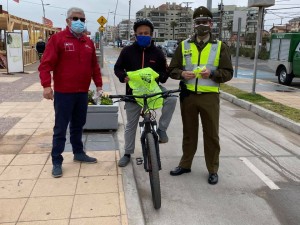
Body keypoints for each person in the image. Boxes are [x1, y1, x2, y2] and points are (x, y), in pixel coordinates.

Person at [168, 6, 233, 185]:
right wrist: (182, 74)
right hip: (188, 96)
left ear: (211, 24)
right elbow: (172, 69)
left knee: (211, 134)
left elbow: (228, 73)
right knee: (189, 133)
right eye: (198, 22)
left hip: (209, 97)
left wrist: (212, 74)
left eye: (204, 22)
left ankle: (212, 169)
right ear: (193, 24)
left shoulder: (219, 46)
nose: (201, 25)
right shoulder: (184, 45)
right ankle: (185, 164)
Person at [38, 7, 103, 178]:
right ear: (67, 21)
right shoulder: (58, 39)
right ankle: (56, 160)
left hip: (82, 93)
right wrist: (46, 86)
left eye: (82, 19)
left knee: (78, 125)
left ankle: (78, 153)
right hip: (63, 93)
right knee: (61, 128)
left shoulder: (88, 42)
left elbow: (94, 67)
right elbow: (45, 65)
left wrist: (99, 86)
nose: (79, 22)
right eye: (75, 18)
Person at [114, 18, 177, 167]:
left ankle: (161, 130)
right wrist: (124, 77)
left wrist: (161, 76)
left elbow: (164, 73)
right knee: (131, 125)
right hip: (133, 93)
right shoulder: (127, 51)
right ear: (135, 35)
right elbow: (117, 68)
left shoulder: (158, 52)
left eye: (146, 33)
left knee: (172, 98)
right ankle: (127, 153)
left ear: (151, 34)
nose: (143, 35)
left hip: (153, 91)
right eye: (140, 33)